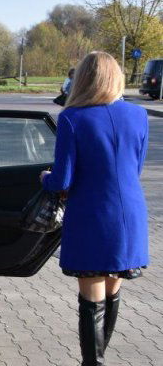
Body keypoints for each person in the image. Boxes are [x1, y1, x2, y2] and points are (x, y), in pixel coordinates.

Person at [40, 51, 149, 365]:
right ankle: (99, 359)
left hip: (92, 215)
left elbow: (62, 180)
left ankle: (93, 362)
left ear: (83, 79)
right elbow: (135, 168)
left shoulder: (74, 118)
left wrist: (45, 178)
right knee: (113, 291)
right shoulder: (139, 115)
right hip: (130, 213)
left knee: (92, 298)